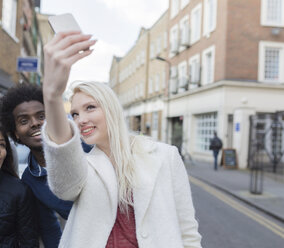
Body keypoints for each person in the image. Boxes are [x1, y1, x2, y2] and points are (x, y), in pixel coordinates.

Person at [41, 31, 202, 247]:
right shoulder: (82, 166)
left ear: (111, 109)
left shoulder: (166, 156)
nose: (81, 120)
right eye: (76, 114)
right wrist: (51, 96)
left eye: (90, 107)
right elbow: (64, 186)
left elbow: (188, 230)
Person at [0, 83, 73, 248]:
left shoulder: (82, 148)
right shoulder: (30, 180)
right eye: (24, 120)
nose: (35, 123)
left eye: (41, 116)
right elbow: (49, 229)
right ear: (15, 132)